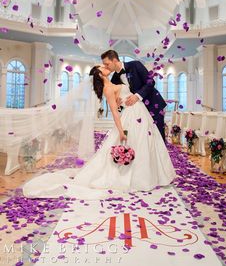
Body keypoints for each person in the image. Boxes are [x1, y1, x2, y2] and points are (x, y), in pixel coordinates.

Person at [23, 65, 175, 200]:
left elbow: (121, 101)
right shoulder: (108, 88)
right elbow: (115, 113)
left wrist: (123, 100)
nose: (105, 66)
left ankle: (148, 176)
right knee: (136, 144)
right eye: (102, 67)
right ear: (100, 74)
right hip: (130, 117)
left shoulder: (114, 83)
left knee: (144, 144)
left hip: (139, 114)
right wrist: (121, 131)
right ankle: (138, 178)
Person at [101, 50, 167, 142]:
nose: (106, 67)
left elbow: (150, 82)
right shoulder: (114, 80)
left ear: (115, 60)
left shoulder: (135, 65)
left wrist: (137, 96)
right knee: (144, 139)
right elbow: (117, 101)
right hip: (137, 112)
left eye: (107, 64)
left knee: (158, 137)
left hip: (152, 104)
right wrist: (118, 104)